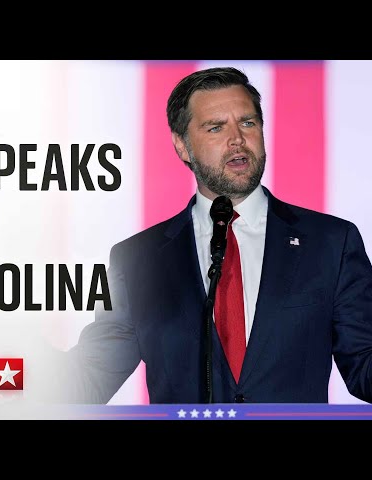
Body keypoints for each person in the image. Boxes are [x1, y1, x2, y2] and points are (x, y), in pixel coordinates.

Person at [57, 66, 372, 404]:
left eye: (248, 123)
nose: (237, 138)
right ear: (181, 145)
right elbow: (90, 376)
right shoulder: (138, 260)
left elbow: (364, 367)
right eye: (216, 127)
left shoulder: (330, 243)